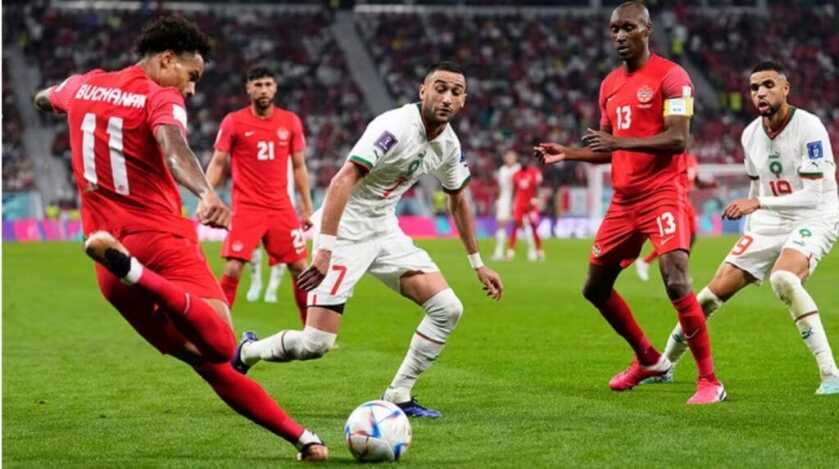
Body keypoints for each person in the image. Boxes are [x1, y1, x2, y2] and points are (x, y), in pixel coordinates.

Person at [32, 17, 327, 460]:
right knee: (223, 345)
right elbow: (174, 148)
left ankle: (302, 439)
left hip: (106, 258)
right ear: (167, 59)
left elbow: (44, 98)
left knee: (205, 362)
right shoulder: (159, 96)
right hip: (160, 242)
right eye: (192, 76)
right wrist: (207, 193)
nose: (190, 89)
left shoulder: (83, 85)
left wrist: (53, 102)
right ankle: (136, 272)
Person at [230, 61, 504, 418]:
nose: (447, 98)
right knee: (316, 344)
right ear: (423, 90)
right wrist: (325, 249)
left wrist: (478, 264)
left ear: (464, 101)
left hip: (384, 229)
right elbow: (341, 180)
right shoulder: (394, 126)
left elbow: (459, 199)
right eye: (440, 88)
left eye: (456, 92)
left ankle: (398, 394)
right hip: (344, 230)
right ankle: (249, 350)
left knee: (447, 309)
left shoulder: (449, 145)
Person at [535, 1, 725, 404]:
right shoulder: (609, 85)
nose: (619, 36)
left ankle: (710, 381)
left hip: (663, 193)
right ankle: (650, 359)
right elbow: (607, 147)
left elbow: (679, 139)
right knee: (595, 288)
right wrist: (568, 153)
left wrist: (619, 141)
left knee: (676, 278)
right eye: (614, 30)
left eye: (628, 28)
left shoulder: (673, 76)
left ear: (647, 30)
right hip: (623, 202)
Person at [646, 61, 839, 395]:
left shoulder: (809, 127)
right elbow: (755, 185)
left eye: (768, 85)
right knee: (708, 297)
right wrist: (752, 227)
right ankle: (664, 365)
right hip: (768, 222)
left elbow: (811, 195)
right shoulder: (750, 134)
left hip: (814, 215)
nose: (760, 93)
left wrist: (758, 203)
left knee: (784, 278)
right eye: (754, 88)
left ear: (786, 89)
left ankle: (831, 374)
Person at [206, 67, 313, 324]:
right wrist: (206, 196)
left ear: (275, 88)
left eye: (267, 84)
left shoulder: (290, 121)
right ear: (248, 88)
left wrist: (306, 206)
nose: (263, 90)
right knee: (233, 267)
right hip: (247, 208)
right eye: (258, 85)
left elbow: (299, 166)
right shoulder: (234, 121)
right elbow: (218, 162)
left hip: (280, 208)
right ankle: (216, 330)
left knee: (301, 268)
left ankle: (313, 332)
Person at [634, 146, 718, 281]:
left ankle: (656, 264)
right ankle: (665, 267)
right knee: (674, 239)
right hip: (673, 201)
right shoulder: (673, 159)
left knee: (691, 237)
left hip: (686, 202)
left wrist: (709, 185)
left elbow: (695, 181)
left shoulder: (691, 159)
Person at [246, 162, 297, 304]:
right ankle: (256, 282)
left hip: (283, 198)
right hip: (256, 196)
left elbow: (299, 167)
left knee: (281, 247)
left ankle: (272, 289)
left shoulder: (289, 150)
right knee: (254, 241)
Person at [507, 159, 545, 261]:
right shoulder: (516, 174)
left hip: (531, 204)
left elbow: (537, 186)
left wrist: (536, 198)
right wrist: (512, 203)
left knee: (534, 227)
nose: (524, 163)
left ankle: (539, 251)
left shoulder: (534, 172)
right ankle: (510, 251)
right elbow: (514, 190)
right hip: (520, 204)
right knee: (516, 226)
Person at [492, 150, 520, 260]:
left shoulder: (518, 168)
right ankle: (498, 252)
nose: (509, 159)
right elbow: (499, 186)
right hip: (504, 198)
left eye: (511, 157)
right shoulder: (502, 170)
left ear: (515, 158)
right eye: (507, 157)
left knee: (523, 224)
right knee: (501, 224)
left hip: (517, 198)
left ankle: (533, 251)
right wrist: (498, 200)